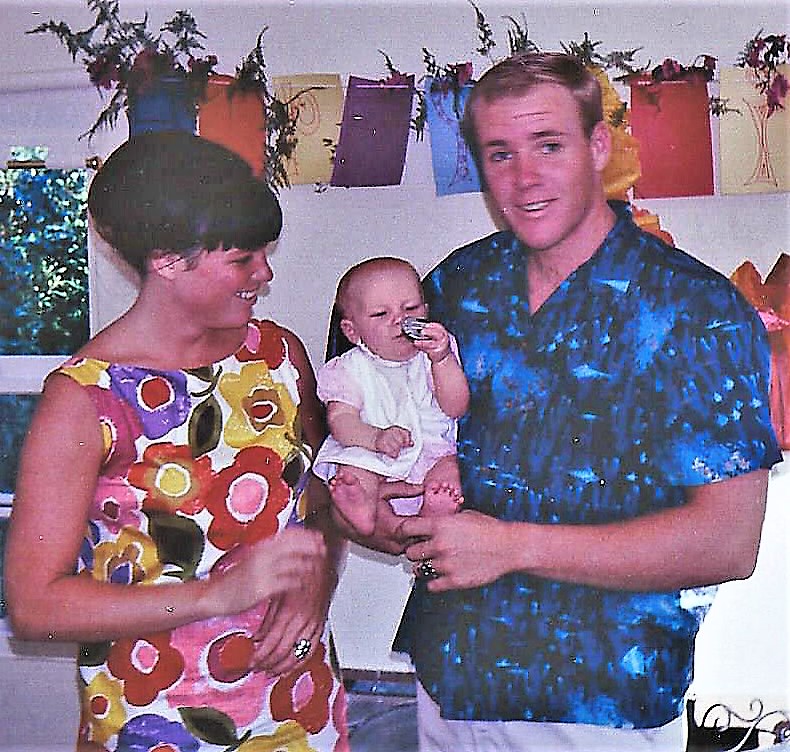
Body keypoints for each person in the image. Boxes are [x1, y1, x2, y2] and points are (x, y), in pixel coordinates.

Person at [328, 52, 783, 751]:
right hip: (453, 677)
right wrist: (385, 517)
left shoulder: (697, 309)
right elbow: (398, 434)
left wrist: (509, 547)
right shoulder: (458, 286)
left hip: (601, 699)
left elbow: (726, 541)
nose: (525, 176)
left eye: (549, 144)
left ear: (598, 147)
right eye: (500, 153)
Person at [5, 132, 348, 751]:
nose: (264, 274)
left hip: (298, 709)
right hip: (154, 720)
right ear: (166, 260)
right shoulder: (85, 400)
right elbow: (33, 605)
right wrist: (214, 595)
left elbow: (318, 501)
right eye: (243, 259)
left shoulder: (278, 357)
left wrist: (313, 584)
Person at [312, 257, 470, 538]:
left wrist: (442, 359)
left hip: (432, 455)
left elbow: (456, 407)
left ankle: (432, 513)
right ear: (352, 331)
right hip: (372, 454)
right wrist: (375, 438)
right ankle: (360, 507)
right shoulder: (349, 368)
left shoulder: (434, 354)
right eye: (380, 314)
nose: (399, 319)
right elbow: (341, 421)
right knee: (353, 470)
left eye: (411, 308)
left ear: (427, 311)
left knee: (453, 468)